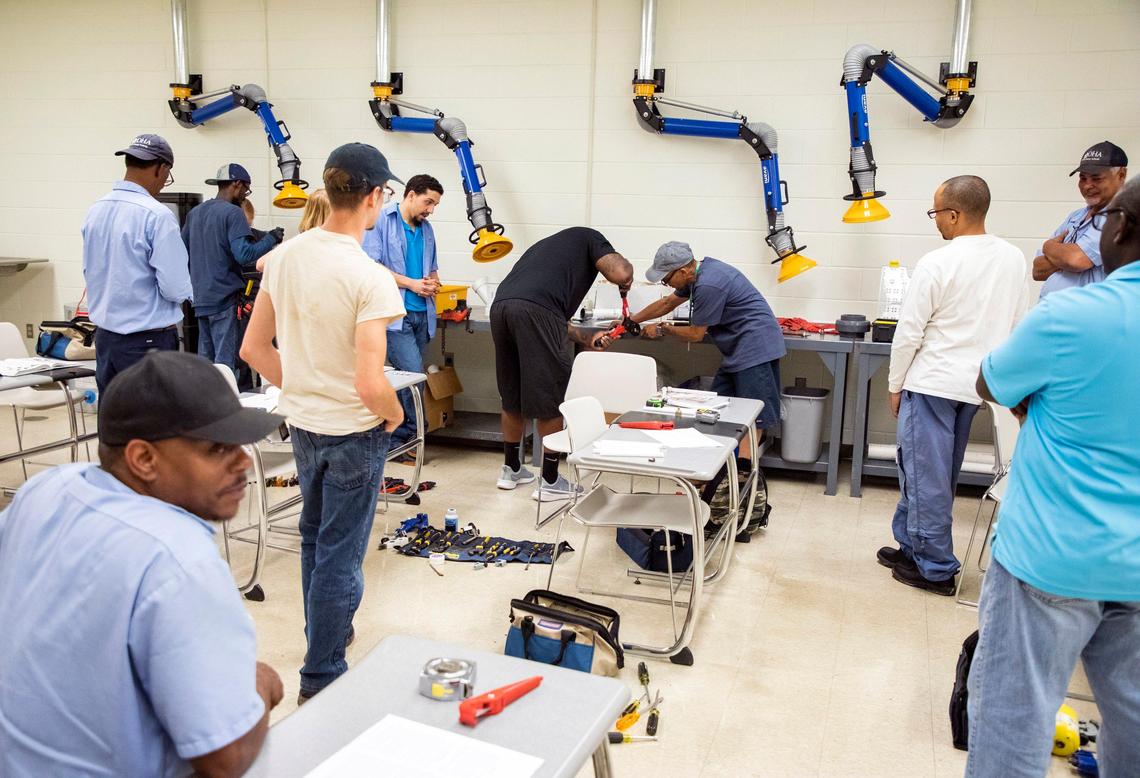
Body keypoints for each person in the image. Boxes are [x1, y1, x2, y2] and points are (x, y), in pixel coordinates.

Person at [0, 351, 285, 777]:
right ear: (144, 459)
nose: (243, 463)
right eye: (217, 449)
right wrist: (261, 684)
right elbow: (223, 760)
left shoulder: (45, 489)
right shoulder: (176, 558)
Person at [967, 176, 1140, 776]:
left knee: (1018, 716)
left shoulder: (1077, 314)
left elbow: (993, 382)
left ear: (1122, 226)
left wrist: (1038, 400)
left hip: (1053, 556)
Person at [241, 143, 406, 703]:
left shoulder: (284, 257)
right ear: (375, 196)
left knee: (314, 538)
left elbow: (253, 348)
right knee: (339, 550)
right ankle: (323, 673)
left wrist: (305, 385)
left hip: (303, 425)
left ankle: (324, 636)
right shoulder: (371, 276)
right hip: (355, 432)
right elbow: (369, 382)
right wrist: (396, 411)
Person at [878, 175, 1029, 596]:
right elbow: (1019, 325)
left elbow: (909, 331)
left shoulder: (938, 261)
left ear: (955, 214)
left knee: (925, 476)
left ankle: (936, 568)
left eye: (936, 213)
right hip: (977, 386)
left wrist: (895, 384)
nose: (935, 222)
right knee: (933, 474)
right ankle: (911, 547)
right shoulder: (1013, 258)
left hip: (931, 383)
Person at [628, 241, 786, 534]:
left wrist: (661, 328)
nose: (665, 283)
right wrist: (630, 321)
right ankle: (714, 480)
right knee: (718, 412)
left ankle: (738, 489)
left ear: (685, 269)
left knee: (752, 418)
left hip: (755, 348)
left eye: (667, 277)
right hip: (736, 350)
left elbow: (696, 334)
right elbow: (666, 303)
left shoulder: (710, 283)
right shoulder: (698, 275)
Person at [490, 227, 633, 499]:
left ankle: (511, 469)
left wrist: (585, 336)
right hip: (534, 312)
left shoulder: (546, 250)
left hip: (501, 307)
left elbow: (545, 315)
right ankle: (550, 481)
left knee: (512, 395)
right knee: (550, 397)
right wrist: (627, 279)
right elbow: (620, 273)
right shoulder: (591, 238)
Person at [82, 133, 193, 393]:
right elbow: (174, 286)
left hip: (107, 340)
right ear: (161, 168)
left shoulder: (95, 210)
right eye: (167, 175)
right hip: (148, 343)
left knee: (114, 423)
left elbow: (90, 270)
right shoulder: (157, 215)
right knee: (152, 426)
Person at [362, 174, 444, 463]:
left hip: (423, 314)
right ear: (410, 195)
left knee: (410, 377)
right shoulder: (382, 220)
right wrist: (411, 284)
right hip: (396, 315)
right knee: (413, 378)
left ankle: (399, 438)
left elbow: (431, 268)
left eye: (434, 204)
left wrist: (433, 283)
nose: (430, 209)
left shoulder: (427, 229)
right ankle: (405, 438)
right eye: (428, 202)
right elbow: (371, 267)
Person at [182, 163, 283, 377]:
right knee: (225, 367)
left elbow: (182, 253)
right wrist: (271, 239)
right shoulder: (233, 213)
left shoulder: (195, 213)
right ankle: (226, 409)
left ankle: (205, 409)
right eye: (245, 189)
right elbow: (244, 255)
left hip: (200, 300)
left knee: (205, 366)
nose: (245, 195)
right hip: (224, 299)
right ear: (236, 184)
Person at [1034, 141, 1127, 299]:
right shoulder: (1076, 216)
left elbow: (1076, 259)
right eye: (1083, 178)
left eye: (1096, 179)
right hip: (1055, 314)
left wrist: (1049, 246)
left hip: (1090, 318)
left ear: (1121, 175)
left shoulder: (1122, 216)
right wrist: (1064, 257)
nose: (1087, 186)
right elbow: (1037, 269)